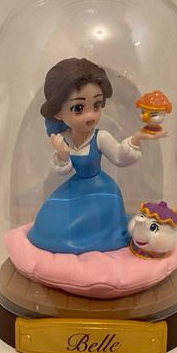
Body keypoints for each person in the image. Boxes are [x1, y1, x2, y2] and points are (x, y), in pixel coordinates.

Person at [27, 57, 167, 254]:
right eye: (78, 108)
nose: (91, 115)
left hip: (102, 193)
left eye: (97, 105)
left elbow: (120, 157)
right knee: (48, 219)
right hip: (74, 189)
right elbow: (60, 170)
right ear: (58, 112)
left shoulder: (100, 137)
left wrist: (136, 138)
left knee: (79, 225)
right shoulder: (64, 138)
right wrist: (62, 155)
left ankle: (93, 240)